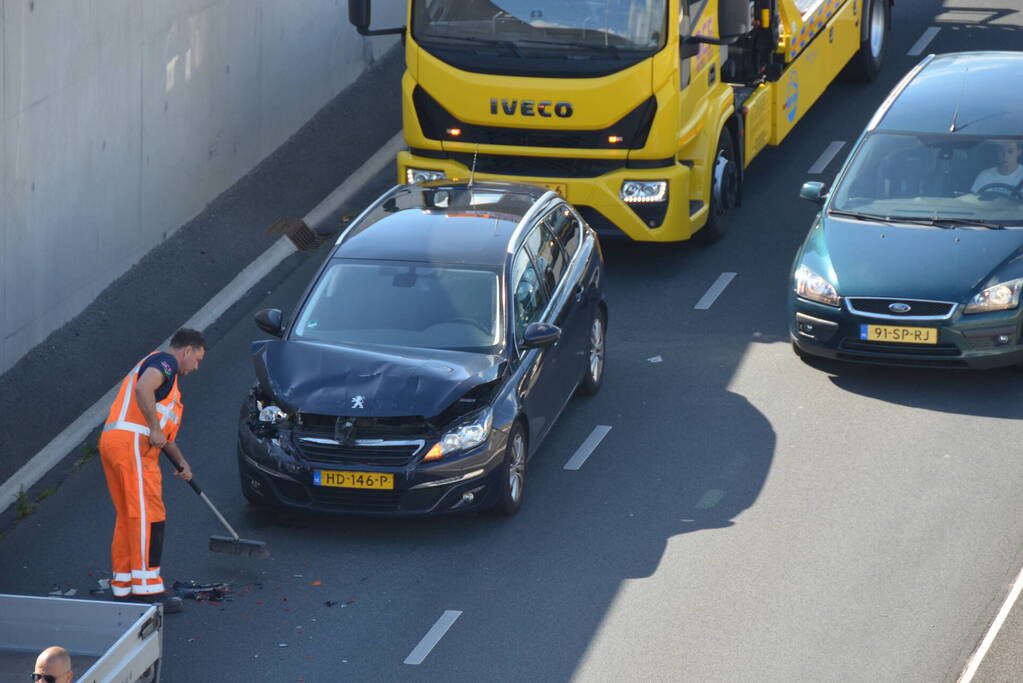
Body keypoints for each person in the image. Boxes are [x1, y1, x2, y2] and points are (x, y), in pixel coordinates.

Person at [99, 328, 206, 614]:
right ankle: (148, 591)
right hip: (133, 445)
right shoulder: (166, 363)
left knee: (130, 516)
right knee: (149, 515)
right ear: (186, 351)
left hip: (117, 443)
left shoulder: (170, 383)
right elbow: (143, 389)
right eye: (197, 360)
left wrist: (182, 463)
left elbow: (165, 437)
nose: (195, 367)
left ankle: (124, 586)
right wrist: (155, 429)